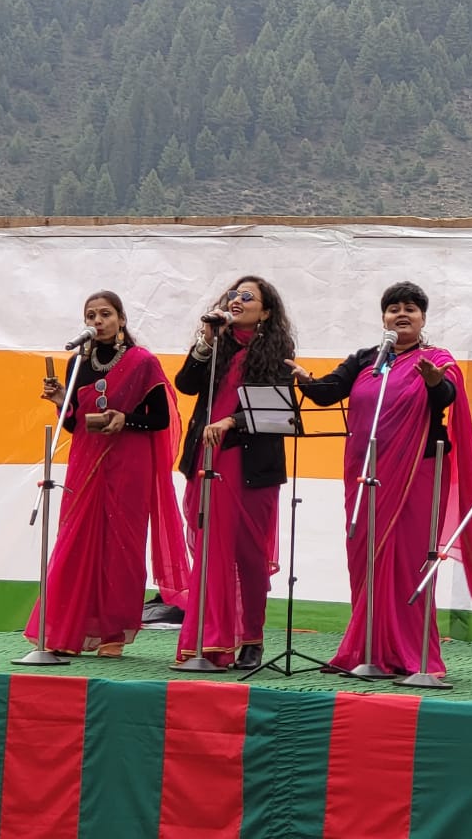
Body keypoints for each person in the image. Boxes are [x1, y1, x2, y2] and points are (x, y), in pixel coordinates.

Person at [287, 281, 472, 676]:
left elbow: (445, 396)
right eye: (393, 308)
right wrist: (305, 380)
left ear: (423, 318)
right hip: (365, 474)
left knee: (407, 561)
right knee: (365, 558)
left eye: (410, 308)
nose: (401, 314)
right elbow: (329, 393)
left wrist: (432, 380)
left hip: (416, 475)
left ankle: (409, 655)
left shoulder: (437, 359)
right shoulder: (366, 358)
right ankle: (365, 649)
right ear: (382, 317)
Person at [24, 291, 189, 657]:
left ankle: (113, 634)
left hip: (129, 463)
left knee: (121, 547)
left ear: (121, 320)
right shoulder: (76, 363)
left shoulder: (142, 362)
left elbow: (160, 418)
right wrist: (58, 402)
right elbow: (73, 425)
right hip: (87, 461)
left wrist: (125, 419)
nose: (97, 321)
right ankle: (71, 629)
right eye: (91, 315)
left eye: (105, 314)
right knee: (78, 541)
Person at [174, 277, 296, 670]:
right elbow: (186, 384)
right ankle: (208, 644)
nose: (237, 301)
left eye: (248, 297)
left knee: (248, 554)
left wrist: (230, 422)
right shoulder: (217, 342)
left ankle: (251, 639)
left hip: (251, 463)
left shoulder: (277, 350)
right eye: (233, 295)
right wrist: (206, 342)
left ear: (266, 311)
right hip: (207, 459)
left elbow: (277, 409)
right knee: (211, 550)